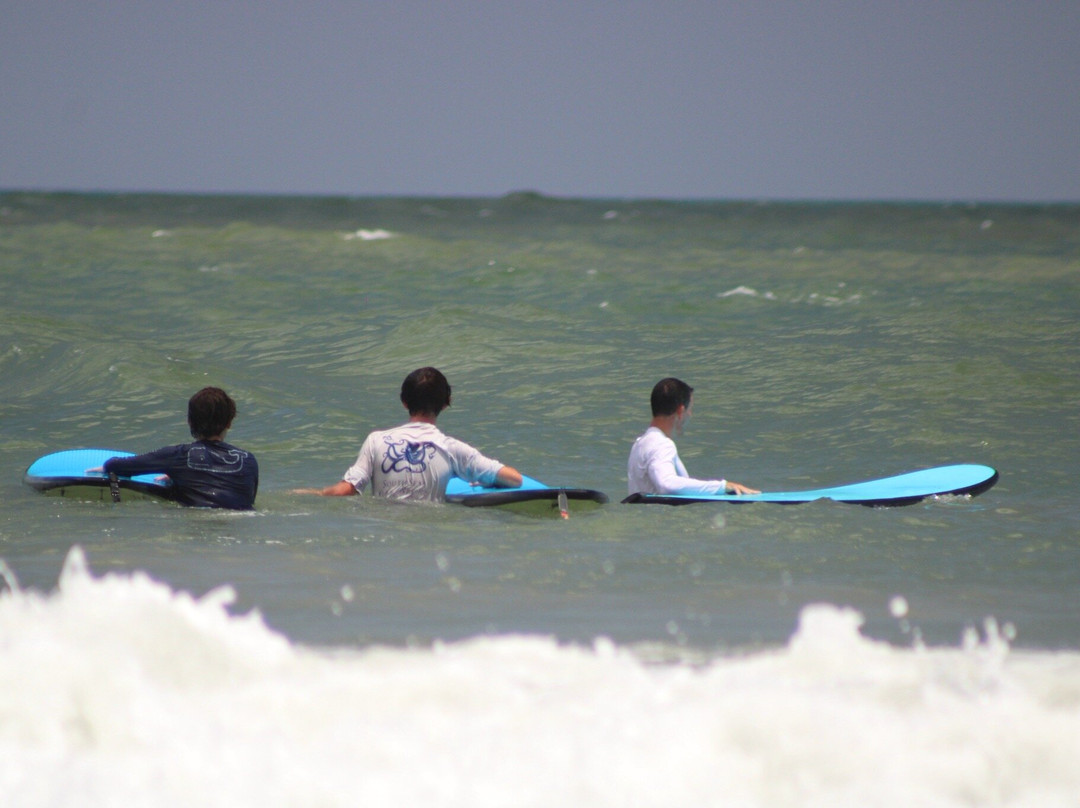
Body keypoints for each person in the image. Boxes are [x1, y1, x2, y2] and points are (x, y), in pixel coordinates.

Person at [296, 366, 522, 502]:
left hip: (383, 530)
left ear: (404, 402)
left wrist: (315, 494)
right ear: (447, 403)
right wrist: (481, 483)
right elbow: (514, 479)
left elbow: (348, 489)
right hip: (429, 533)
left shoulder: (376, 441)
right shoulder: (452, 448)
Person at [101, 386, 259, 510]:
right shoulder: (248, 460)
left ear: (189, 421)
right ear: (229, 423)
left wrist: (177, 472)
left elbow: (115, 466)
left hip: (198, 523)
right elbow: (246, 500)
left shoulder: (178, 455)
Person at [627, 377, 759, 497]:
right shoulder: (661, 444)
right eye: (689, 409)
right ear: (680, 411)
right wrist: (722, 486)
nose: (690, 414)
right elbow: (667, 484)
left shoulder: (639, 444)